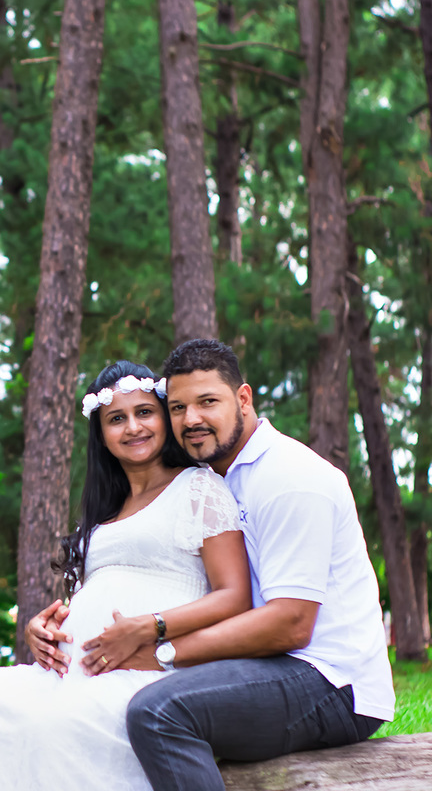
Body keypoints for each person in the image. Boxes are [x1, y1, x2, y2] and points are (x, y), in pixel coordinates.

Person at [0, 360, 252, 791]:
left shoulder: (199, 488)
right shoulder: (106, 511)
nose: (133, 427)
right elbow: (93, 594)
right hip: (72, 670)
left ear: (164, 417)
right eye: (116, 419)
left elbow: (235, 596)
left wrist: (150, 627)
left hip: (149, 669)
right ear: (101, 435)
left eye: (144, 412)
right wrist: (43, 627)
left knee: (61, 723)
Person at [116, 339, 395, 791]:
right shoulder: (210, 481)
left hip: (332, 681)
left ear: (243, 399)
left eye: (208, 402)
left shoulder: (290, 477)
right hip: (269, 665)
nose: (192, 420)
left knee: (159, 711)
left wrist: (164, 654)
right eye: (179, 407)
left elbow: (291, 624)